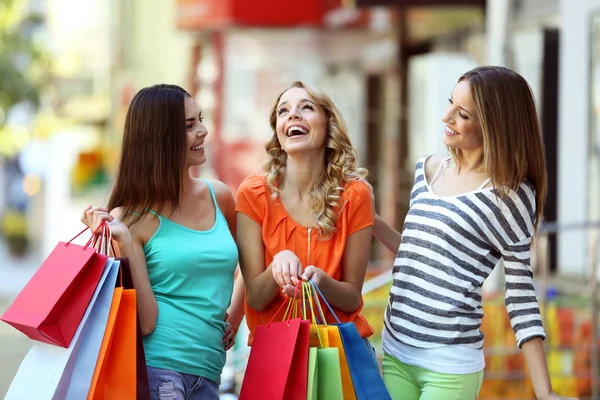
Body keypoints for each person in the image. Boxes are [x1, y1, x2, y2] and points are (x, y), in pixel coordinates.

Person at [368, 66, 578, 400]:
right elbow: (414, 253)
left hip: (449, 366)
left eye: (462, 114)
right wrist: (373, 219)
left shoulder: (510, 195)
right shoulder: (428, 171)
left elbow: (521, 294)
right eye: (451, 103)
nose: (445, 117)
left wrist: (546, 392)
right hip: (396, 351)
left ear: (494, 127)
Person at [80, 84, 240, 400]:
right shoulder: (128, 218)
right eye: (189, 125)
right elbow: (146, 321)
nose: (203, 131)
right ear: (160, 138)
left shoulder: (219, 196)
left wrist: (234, 317)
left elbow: (250, 265)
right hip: (159, 370)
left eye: (201, 120)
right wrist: (122, 239)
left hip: (209, 372)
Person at [235, 81, 377, 356]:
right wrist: (277, 266)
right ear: (278, 131)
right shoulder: (253, 193)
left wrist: (321, 281)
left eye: (306, 107)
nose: (293, 115)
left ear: (328, 125)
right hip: (275, 356)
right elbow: (256, 297)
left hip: (339, 354)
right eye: (283, 110)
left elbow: (351, 298)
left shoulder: (354, 195)